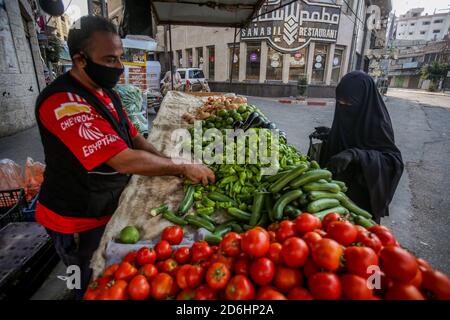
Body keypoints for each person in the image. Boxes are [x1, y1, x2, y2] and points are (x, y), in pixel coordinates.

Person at [34, 16, 215, 298]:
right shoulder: (64, 103)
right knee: (85, 277)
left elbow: (132, 137)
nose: (119, 67)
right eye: (109, 60)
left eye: (120, 57)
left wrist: (168, 160)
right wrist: (180, 168)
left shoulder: (107, 93)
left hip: (107, 203)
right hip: (76, 216)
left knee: (107, 274)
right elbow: (122, 158)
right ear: (80, 60)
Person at [319, 71, 404, 224]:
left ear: (364, 101)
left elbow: (392, 161)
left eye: (349, 104)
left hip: (361, 202)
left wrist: (355, 155)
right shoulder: (345, 113)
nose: (343, 107)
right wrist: (331, 134)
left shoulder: (378, 123)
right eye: (340, 103)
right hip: (333, 195)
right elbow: (351, 136)